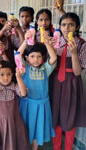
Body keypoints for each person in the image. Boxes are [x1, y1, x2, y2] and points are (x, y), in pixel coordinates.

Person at [49, 12, 86, 150]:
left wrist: (74, 53)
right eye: (63, 24)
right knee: (55, 117)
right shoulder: (55, 41)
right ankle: (56, 147)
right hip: (55, 83)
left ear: (77, 27)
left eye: (71, 25)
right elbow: (48, 64)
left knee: (69, 118)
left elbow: (77, 72)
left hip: (71, 84)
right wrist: (49, 47)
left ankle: (68, 147)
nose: (67, 28)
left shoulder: (82, 45)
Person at [18, 32, 57, 150]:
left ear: (43, 58)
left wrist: (46, 42)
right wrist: (25, 41)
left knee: (38, 129)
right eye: (32, 56)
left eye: (39, 56)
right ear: (27, 58)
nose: (36, 59)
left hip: (42, 105)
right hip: (27, 105)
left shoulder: (46, 68)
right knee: (26, 127)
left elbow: (54, 58)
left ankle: (34, 148)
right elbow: (18, 55)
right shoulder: (24, 67)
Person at [0, 60, 30, 150]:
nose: (6, 78)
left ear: (12, 75)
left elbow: (24, 94)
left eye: (9, 74)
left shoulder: (14, 86)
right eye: (1, 75)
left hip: (13, 122)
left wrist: (19, 78)